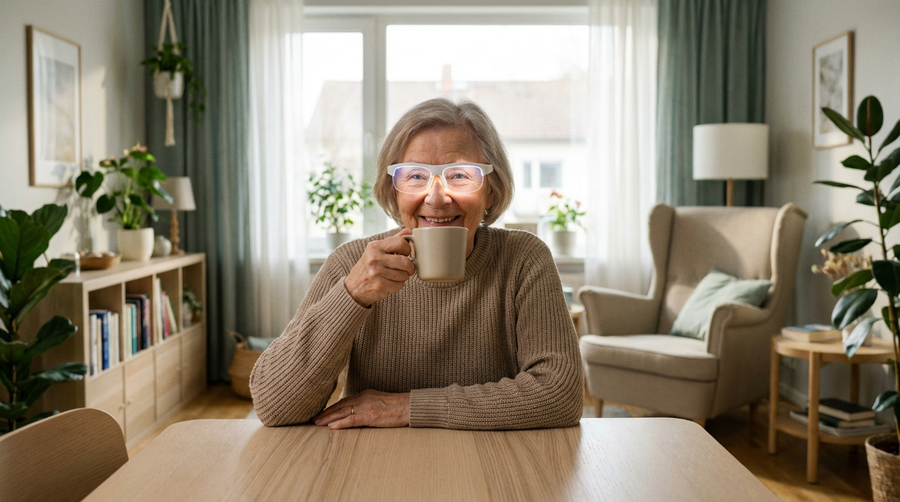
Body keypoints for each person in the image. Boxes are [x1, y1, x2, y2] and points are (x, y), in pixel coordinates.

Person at [250, 97, 583, 430]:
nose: (436, 198)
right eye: (415, 176)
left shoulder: (523, 259)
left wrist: (407, 407)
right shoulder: (352, 263)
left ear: (491, 192)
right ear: (394, 192)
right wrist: (353, 295)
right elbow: (274, 405)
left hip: (490, 458)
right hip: (375, 457)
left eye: (459, 175)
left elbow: (560, 394)